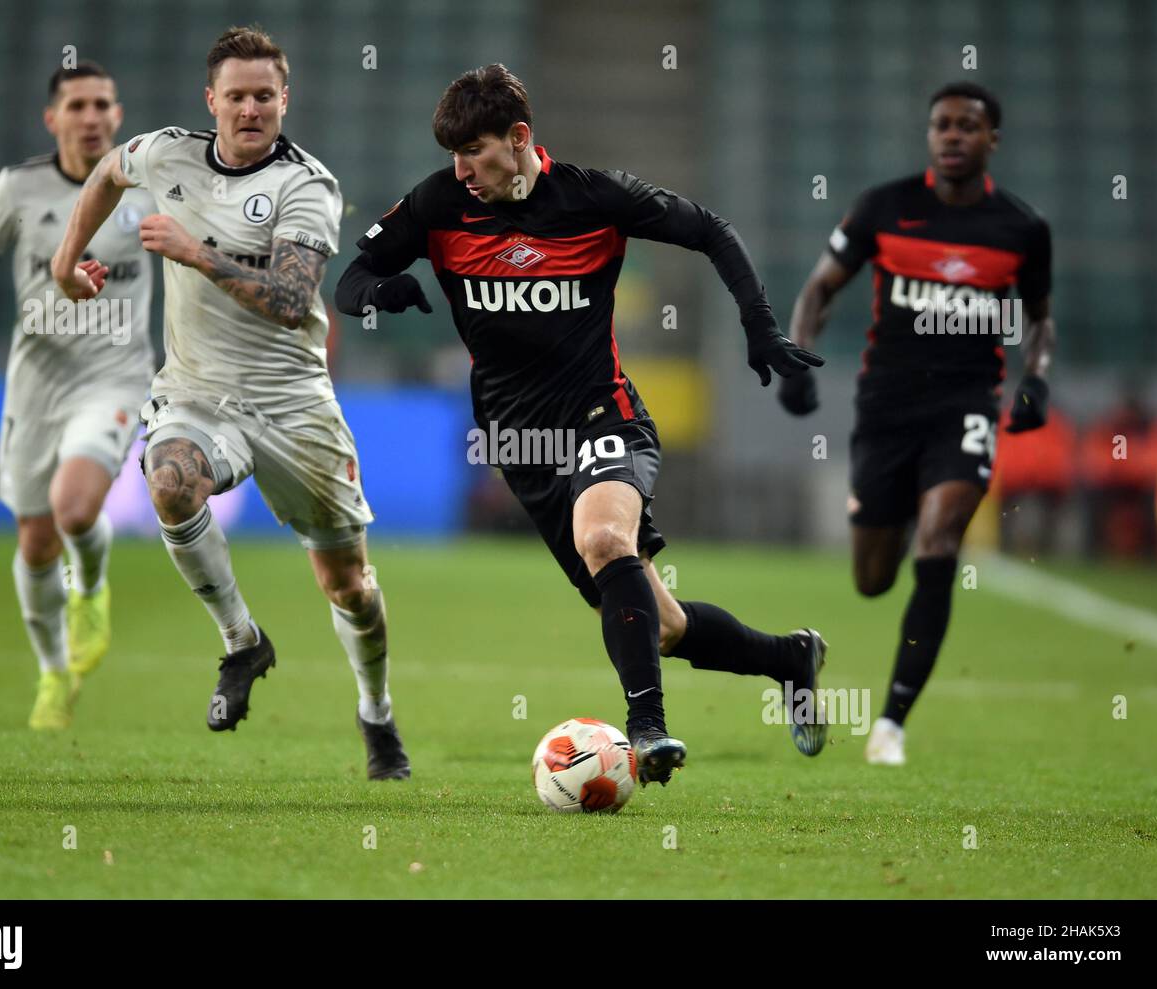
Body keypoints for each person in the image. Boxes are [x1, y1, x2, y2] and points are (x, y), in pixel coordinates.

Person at [336, 64, 828, 785]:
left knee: (603, 536)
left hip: (605, 414)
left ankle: (647, 729)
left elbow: (711, 231)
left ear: (520, 137)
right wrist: (382, 287)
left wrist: (759, 326)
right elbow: (349, 280)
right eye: (453, 154)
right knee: (656, 622)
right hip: (522, 443)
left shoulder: (595, 197)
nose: (462, 169)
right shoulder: (439, 204)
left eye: (475, 150)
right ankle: (791, 658)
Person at [51, 26, 409, 779]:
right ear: (211, 100)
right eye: (237, 96)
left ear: (286, 99)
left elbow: (288, 298)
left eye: (265, 96)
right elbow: (107, 174)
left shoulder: (307, 185)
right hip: (197, 391)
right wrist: (63, 260)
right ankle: (242, 641)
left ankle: (375, 711)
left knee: (348, 583)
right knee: (169, 480)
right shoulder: (168, 152)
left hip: (293, 403)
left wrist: (195, 253)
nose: (251, 109)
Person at [783, 82, 1056, 765]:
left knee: (939, 546)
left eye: (968, 125)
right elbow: (819, 288)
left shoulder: (1022, 229)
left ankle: (891, 723)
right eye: (942, 125)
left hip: (964, 406)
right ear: (929, 134)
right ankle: (900, 508)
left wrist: (1037, 377)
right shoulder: (885, 206)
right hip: (886, 407)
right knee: (872, 579)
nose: (953, 135)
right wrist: (795, 361)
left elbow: (1040, 318)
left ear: (992, 139)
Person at [0, 61, 155, 729]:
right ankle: (53, 671)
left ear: (118, 117)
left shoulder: (147, 186)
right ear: (52, 118)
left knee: (75, 506)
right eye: (78, 105)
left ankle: (89, 586)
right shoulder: (18, 188)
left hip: (115, 373)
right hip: (35, 381)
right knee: (35, 540)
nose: (91, 117)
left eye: (102, 106)